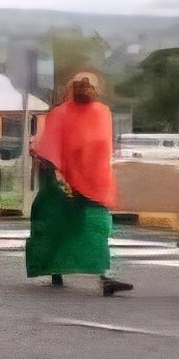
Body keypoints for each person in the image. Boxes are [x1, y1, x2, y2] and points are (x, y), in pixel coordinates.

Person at [27, 70, 131, 295]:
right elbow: (51, 149)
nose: (85, 90)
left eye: (88, 86)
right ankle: (59, 268)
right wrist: (61, 177)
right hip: (69, 183)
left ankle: (102, 276)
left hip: (92, 184)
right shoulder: (64, 114)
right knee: (65, 227)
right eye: (81, 86)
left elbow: (102, 150)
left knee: (95, 228)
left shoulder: (100, 113)